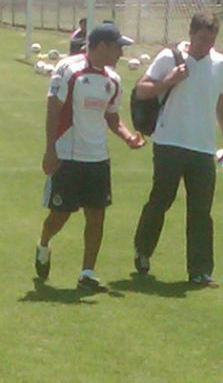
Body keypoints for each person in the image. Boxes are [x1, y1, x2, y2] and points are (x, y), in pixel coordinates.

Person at [35, 23, 145, 292]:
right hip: (68, 157)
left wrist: (128, 136)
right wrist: (50, 150)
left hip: (98, 158)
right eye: (118, 47)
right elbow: (53, 109)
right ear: (102, 46)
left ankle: (87, 273)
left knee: (96, 216)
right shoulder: (69, 70)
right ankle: (44, 244)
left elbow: (111, 117)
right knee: (59, 216)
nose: (121, 52)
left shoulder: (113, 80)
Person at [132, 10, 223, 288]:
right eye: (201, 40)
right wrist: (169, 80)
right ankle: (143, 249)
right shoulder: (169, 57)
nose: (206, 47)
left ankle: (200, 271)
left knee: (201, 211)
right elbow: (142, 90)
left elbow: (221, 103)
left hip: (203, 148)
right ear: (190, 34)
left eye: (211, 41)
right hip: (169, 143)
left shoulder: (220, 63)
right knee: (161, 200)